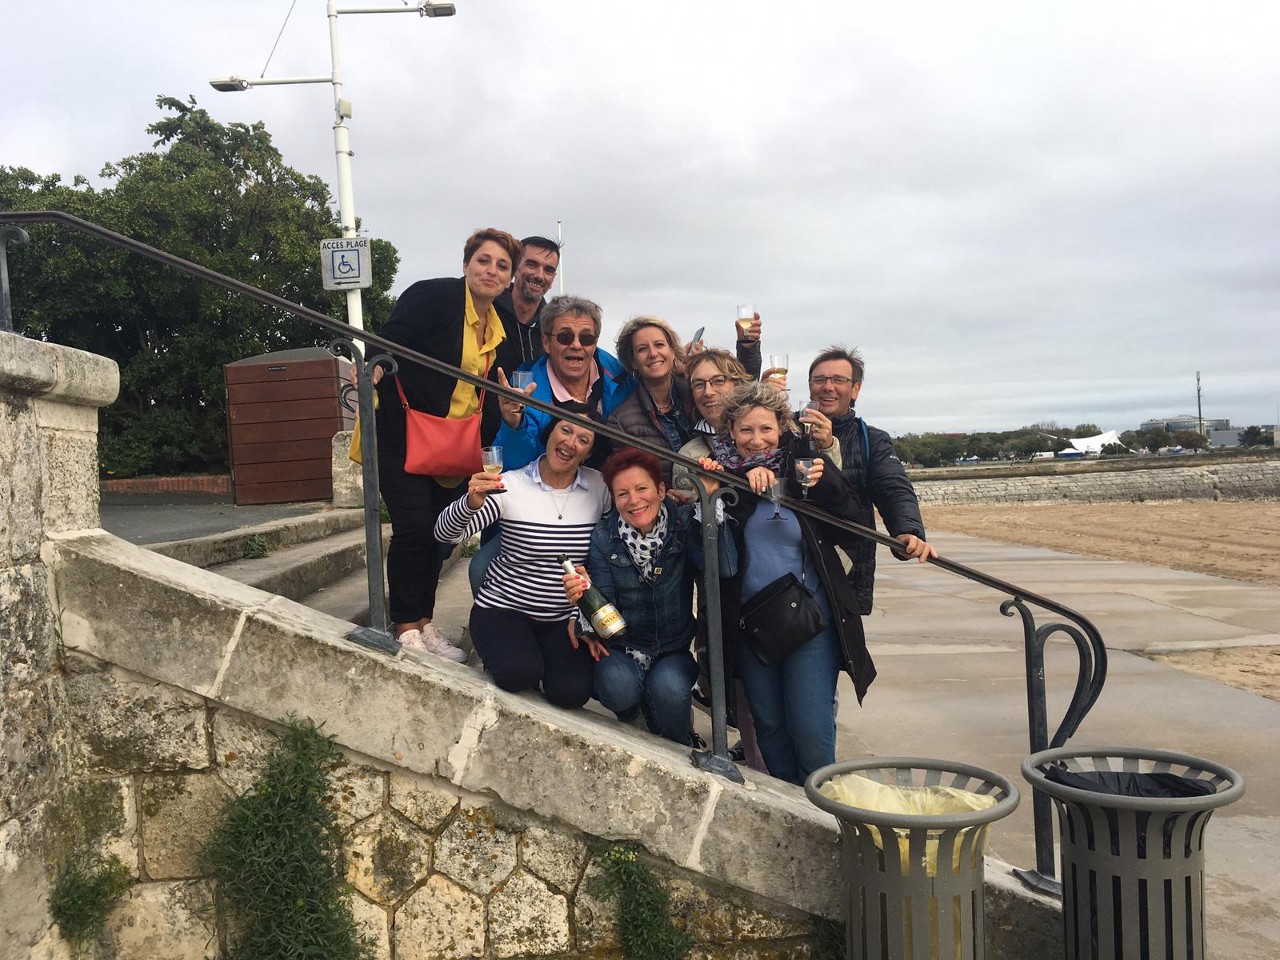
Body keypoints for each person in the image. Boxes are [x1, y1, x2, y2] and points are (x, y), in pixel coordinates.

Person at [706, 382, 873, 785]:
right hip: (751, 624)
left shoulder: (805, 465)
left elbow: (857, 525)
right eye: (745, 430)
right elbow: (706, 551)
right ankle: (790, 809)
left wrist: (825, 480)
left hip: (808, 620)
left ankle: (824, 814)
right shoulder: (718, 475)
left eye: (766, 429)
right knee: (770, 730)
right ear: (730, 431)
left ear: (782, 427)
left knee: (812, 730)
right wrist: (735, 483)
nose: (756, 439)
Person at [374, 228, 524, 663]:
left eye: (501, 266)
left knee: (440, 535)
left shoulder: (500, 328)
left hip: (455, 446)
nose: (491, 271)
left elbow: (497, 390)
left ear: (509, 278)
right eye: (483, 260)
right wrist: (372, 369)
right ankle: (404, 624)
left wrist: (507, 414)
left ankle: (424, 621)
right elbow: (389, 340)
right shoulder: (432, 296)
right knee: (413, 528)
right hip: (405, 435)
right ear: (465, 264)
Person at [563, 448, 736, 745]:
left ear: (659, 489)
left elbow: (724, 567)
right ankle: (635, 716)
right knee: (616, 685)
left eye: (642, 488)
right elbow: (604, 600)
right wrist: (581, 599)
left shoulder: (681, 524)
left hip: (672, 647)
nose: (634, 500)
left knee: (668, 691)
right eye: (622, 494)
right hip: (624, 645)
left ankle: (681, 738)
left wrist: (709, 504)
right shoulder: (604, 537)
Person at [434, 417, 610, 706]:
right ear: (549, 433)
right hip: (504, 607)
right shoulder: (512, 484)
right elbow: (444, 534)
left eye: (583, 439)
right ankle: (507, 652)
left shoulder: (599, 486)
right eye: (565, 430)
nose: (570, 442)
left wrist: (583, 617)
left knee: (571, 694)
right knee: (518, 674)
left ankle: (534, 655)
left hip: (562, 617)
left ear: (589, 453)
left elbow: (606, 549)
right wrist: (469, 503)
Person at [806, 345, 935, 615]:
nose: (828, 386)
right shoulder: (787, 429)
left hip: (847, 568)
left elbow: (894, 488)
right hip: (794, 562)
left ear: (855, 390)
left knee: (844, 652)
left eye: (838, 380)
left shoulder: (871, 439)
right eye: (820, 379)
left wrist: (908, 530)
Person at [492, 295, 635, 470]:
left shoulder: (624, 378)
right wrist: (514, 427)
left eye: (586, 338)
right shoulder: (522, 390)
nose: (576, 345)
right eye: (565, 337)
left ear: (595, 343)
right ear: (546, 342)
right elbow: (512, 467)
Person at [495, 236, 559, 365]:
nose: (539, 275)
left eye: (548, 270)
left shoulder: (553, 328)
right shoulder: (487, 310)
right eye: (531, 265)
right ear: (514, 267)